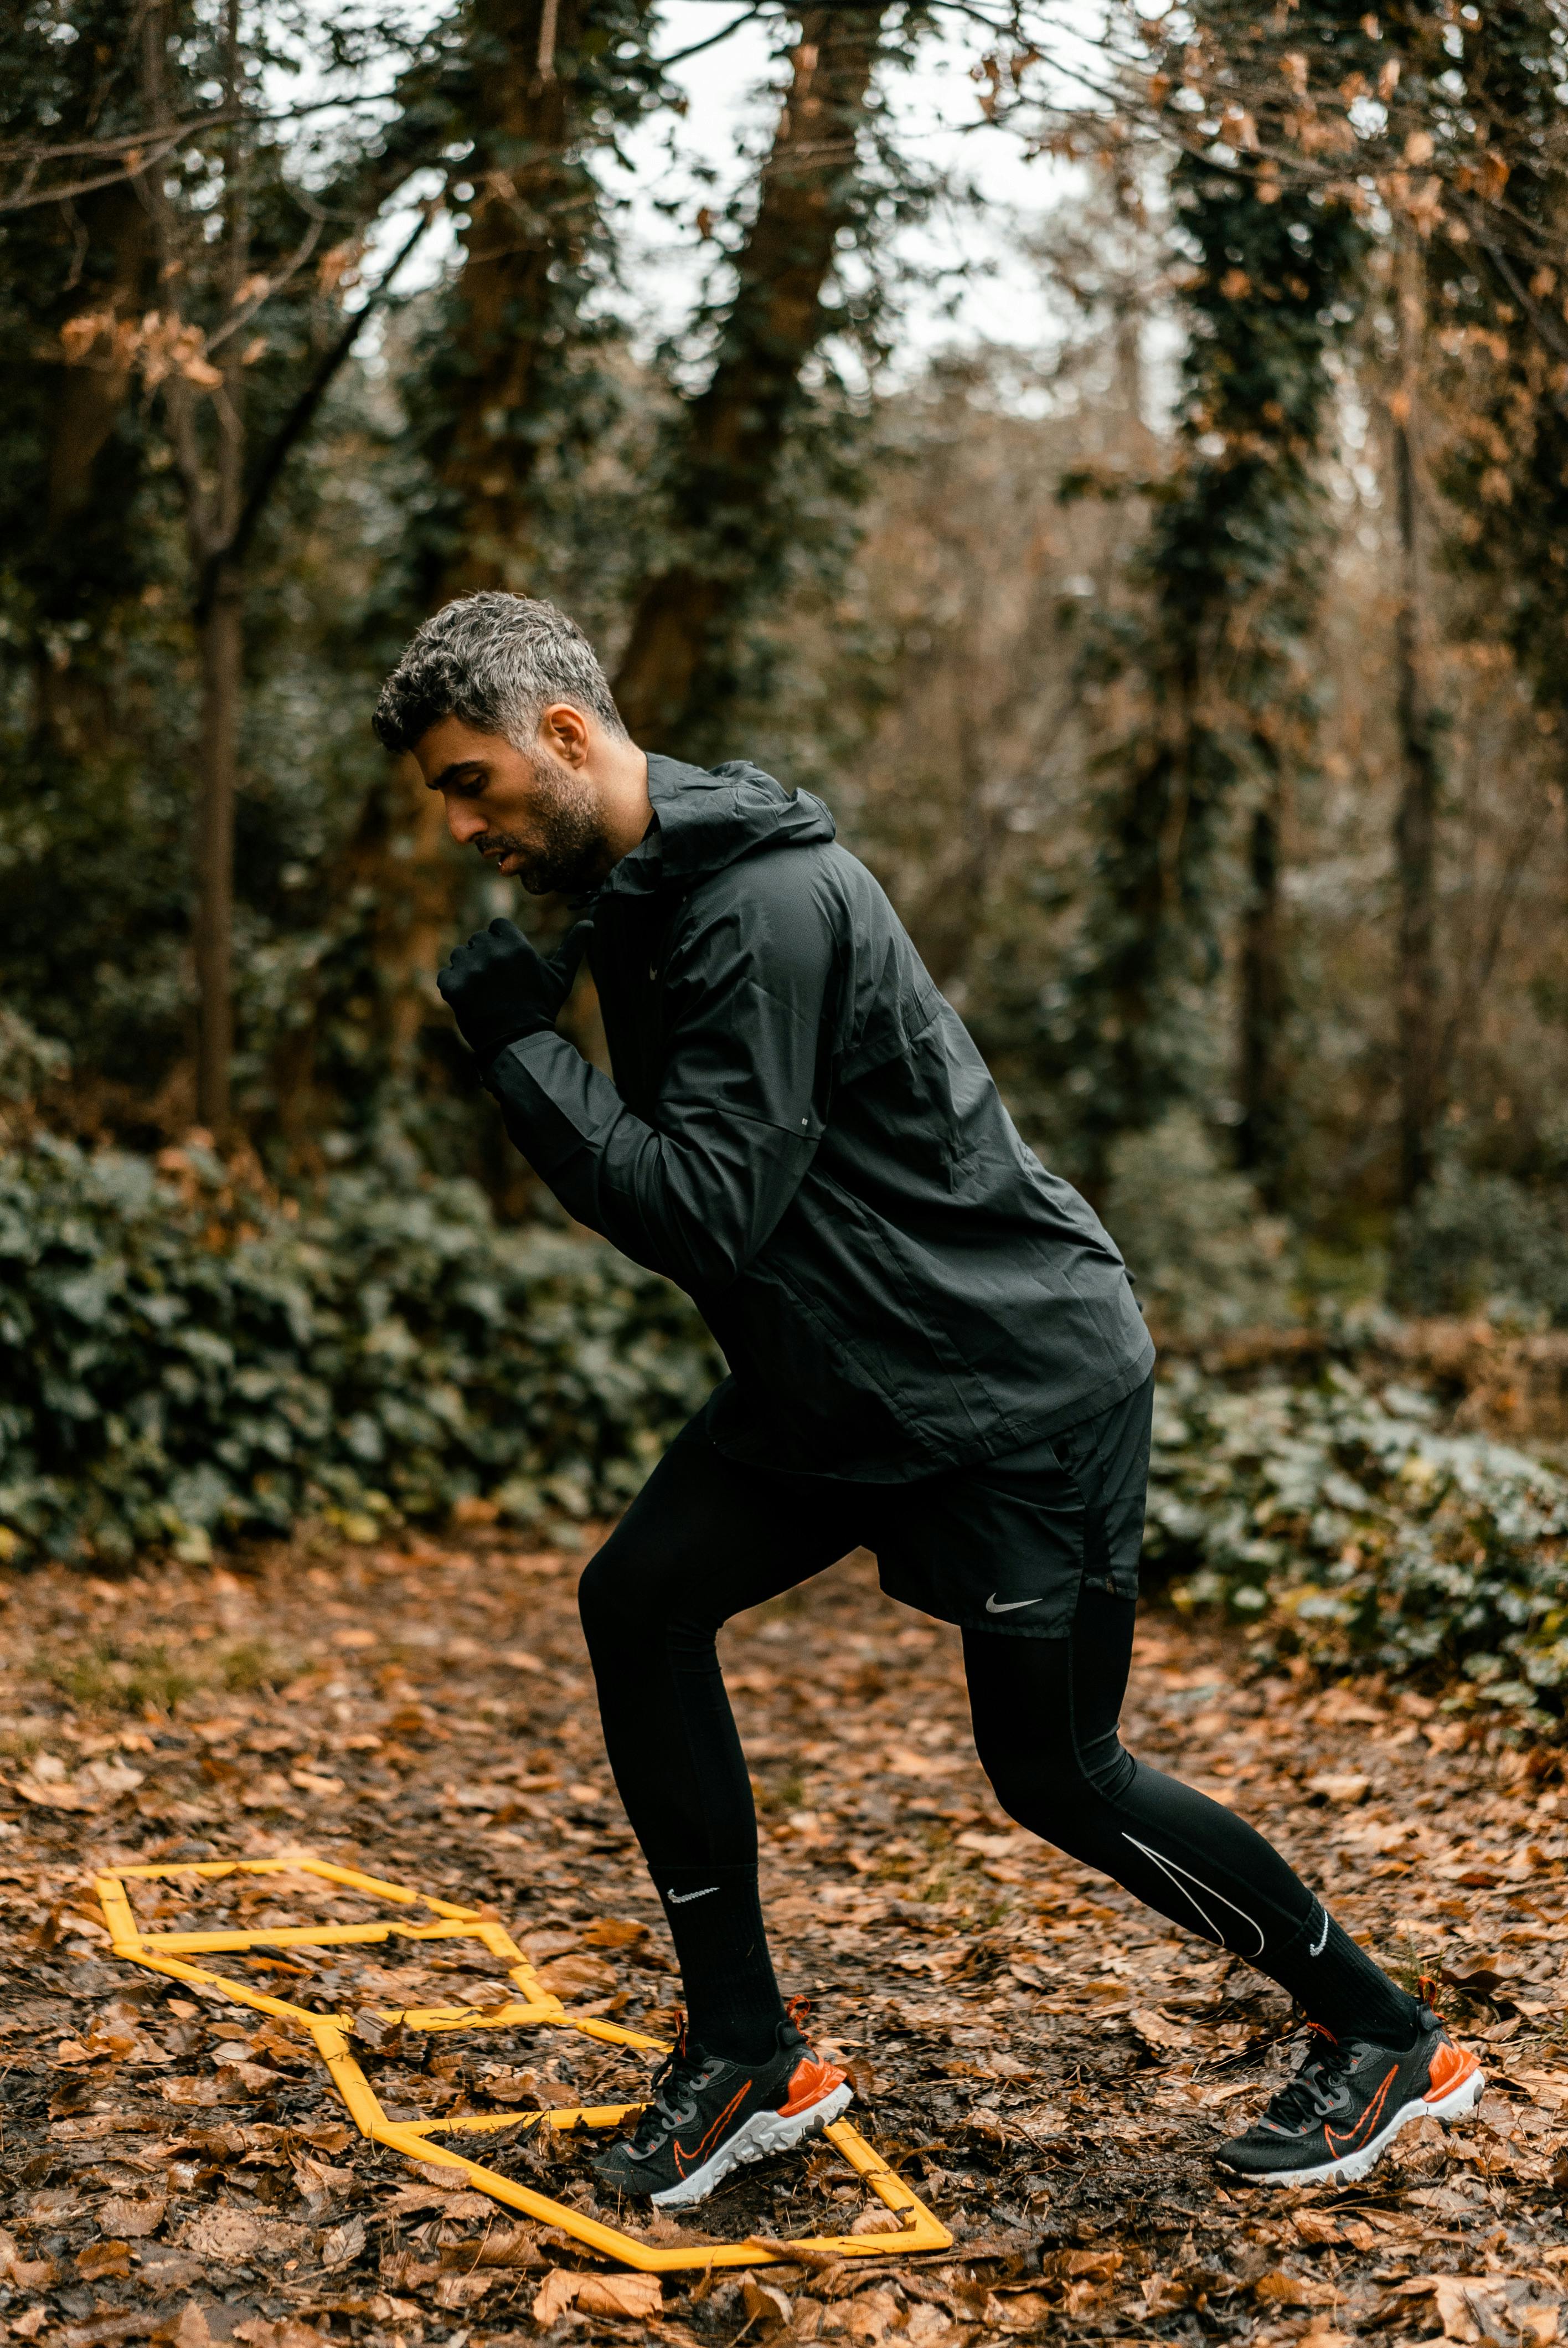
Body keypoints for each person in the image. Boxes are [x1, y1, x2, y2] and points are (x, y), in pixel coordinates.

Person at [372, 591, 1482, 2210]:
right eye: (440, 799)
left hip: (1009, 1377)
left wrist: (524, 1057)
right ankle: (749, 2050)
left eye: (468, 781)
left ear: (563, 735)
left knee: (1059, 1772)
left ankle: (1388, 2037)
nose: (459, 822)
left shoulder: (757, 907)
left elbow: (700, 1210)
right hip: (845, 1376)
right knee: (641, 1600)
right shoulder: (643, 895)